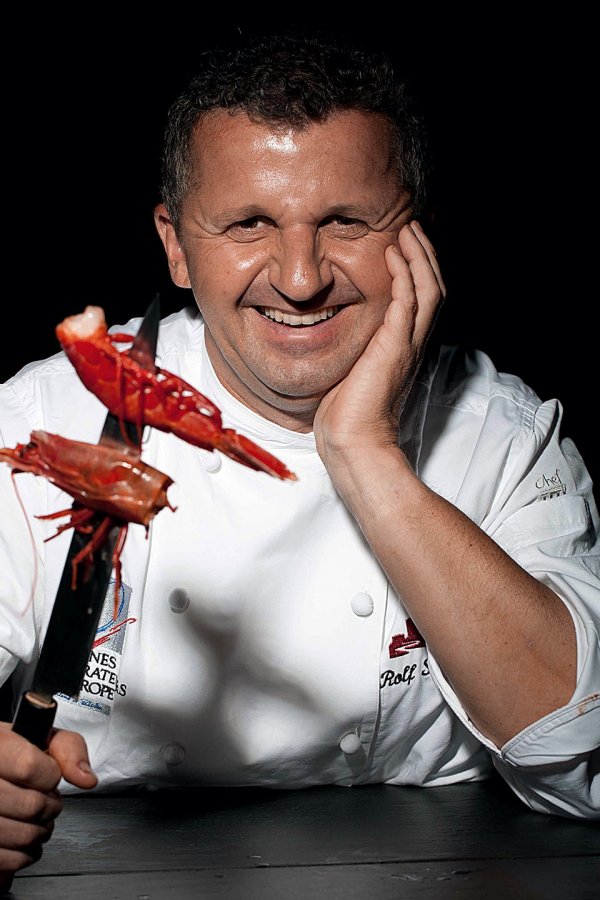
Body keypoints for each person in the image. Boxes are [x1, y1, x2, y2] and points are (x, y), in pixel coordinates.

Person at [1, 28, 599, 882]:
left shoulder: (501, 438)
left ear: (417, 238)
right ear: (175, 244)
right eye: (249, 223)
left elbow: (581, 760)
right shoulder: (46, 422)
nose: (301, 277)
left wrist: (365, 452)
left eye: (346, 222)